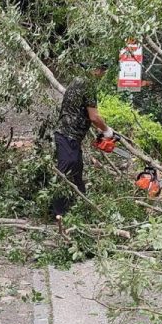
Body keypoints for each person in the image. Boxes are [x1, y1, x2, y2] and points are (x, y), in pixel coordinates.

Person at [52, 61, 114, 234]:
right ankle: (58, 213)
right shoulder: (88, 86)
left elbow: (81, 112)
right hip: (67, 135)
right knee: (65, 170)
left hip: (70, 136)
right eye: (102, 70)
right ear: (96, 70)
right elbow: (94, 117)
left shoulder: (77, 81)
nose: (102, 74)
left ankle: (81, 207)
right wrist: (107, 130)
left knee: (77, 170)